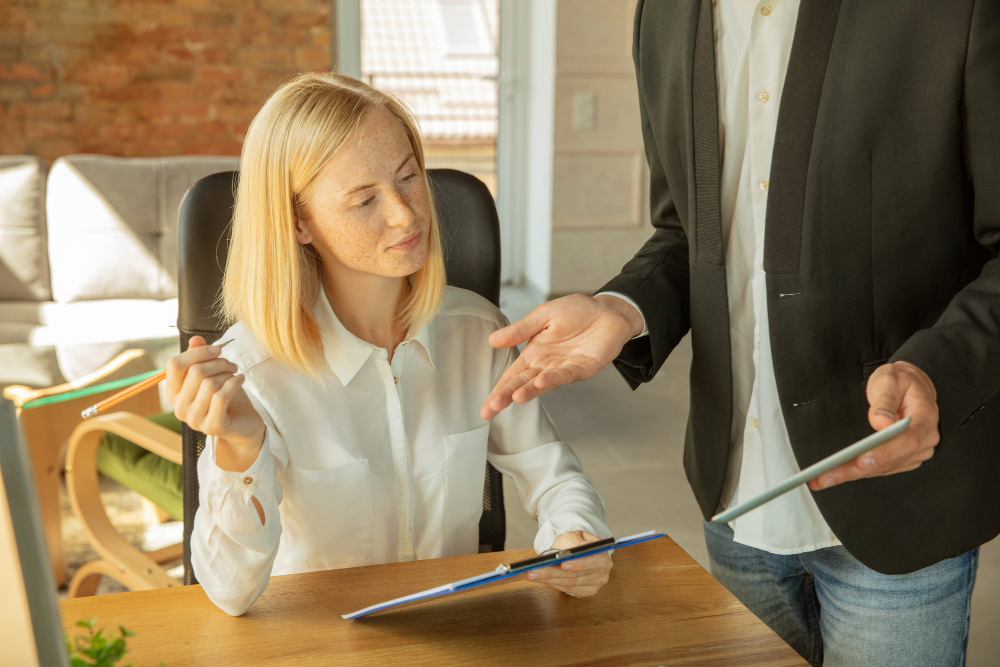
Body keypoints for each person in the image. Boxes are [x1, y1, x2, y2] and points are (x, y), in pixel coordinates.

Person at [480, 1, 999, 665]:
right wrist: (622, 306)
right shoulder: (662, 15)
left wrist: (938, 370)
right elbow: (686, 234)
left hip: (898, 512)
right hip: (733, 505)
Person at [165, 72, 612, 616]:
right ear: (298, 223)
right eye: (363, 201)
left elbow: (552, 473)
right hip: (318, 644)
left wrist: (575, 536)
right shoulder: (251, 372)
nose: (405, 214)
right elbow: (229, 594)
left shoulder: (478, 332)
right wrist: (240, 444)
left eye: (409, 177)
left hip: (454, 635)